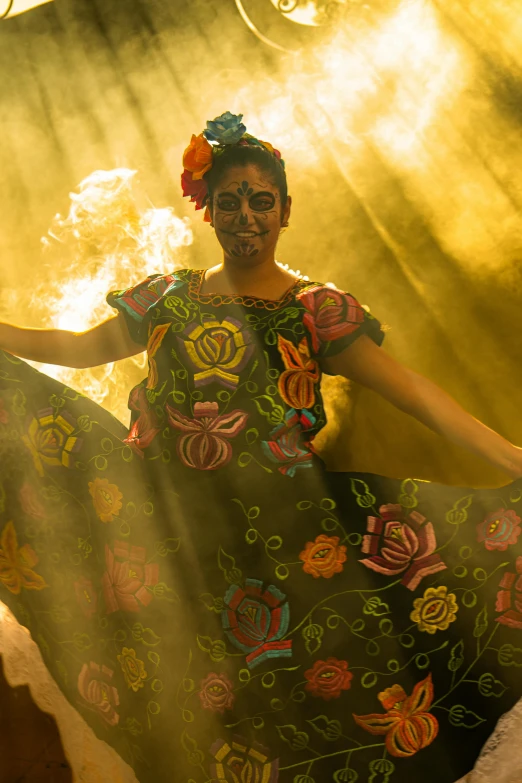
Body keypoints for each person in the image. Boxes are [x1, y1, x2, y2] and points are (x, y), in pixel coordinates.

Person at [0, 111, 521, 783]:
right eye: (230, 201)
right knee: (201, 703)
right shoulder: (167, 298)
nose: (247, 214)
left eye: (261, 200)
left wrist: (510, 454)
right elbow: (74, 351)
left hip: (286, 537)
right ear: (208, 212)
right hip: (170, 531)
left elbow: (413, 393)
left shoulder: (313, 311)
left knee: (318, 689)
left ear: (285, 211)